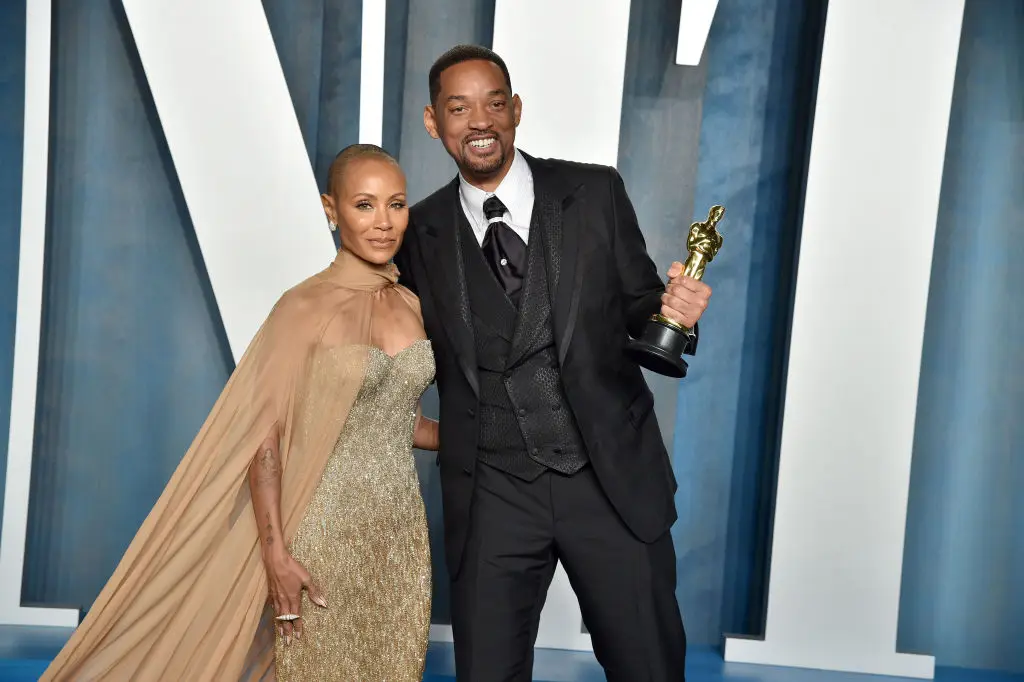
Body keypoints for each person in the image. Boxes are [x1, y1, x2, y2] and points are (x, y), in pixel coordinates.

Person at [40, 144, 438, 681]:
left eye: (397, 204)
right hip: (320, 535)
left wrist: (503, 432)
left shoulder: (408, 303)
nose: (384, 223)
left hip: (400, 542)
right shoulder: (302, 307)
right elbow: (263, 438)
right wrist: (276, 555)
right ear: (330, 208)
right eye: (364, 205)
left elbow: (403, 423)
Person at [393, 45, 713, 681]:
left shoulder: (594, 192)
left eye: (492, 103)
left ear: (515, 110)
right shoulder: (417, 232)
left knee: (647, 666)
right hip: (491, 492)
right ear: (434, 122)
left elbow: (639, 304)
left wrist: (677, 309)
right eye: (459, 108)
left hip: (607, 478)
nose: (478, 121)